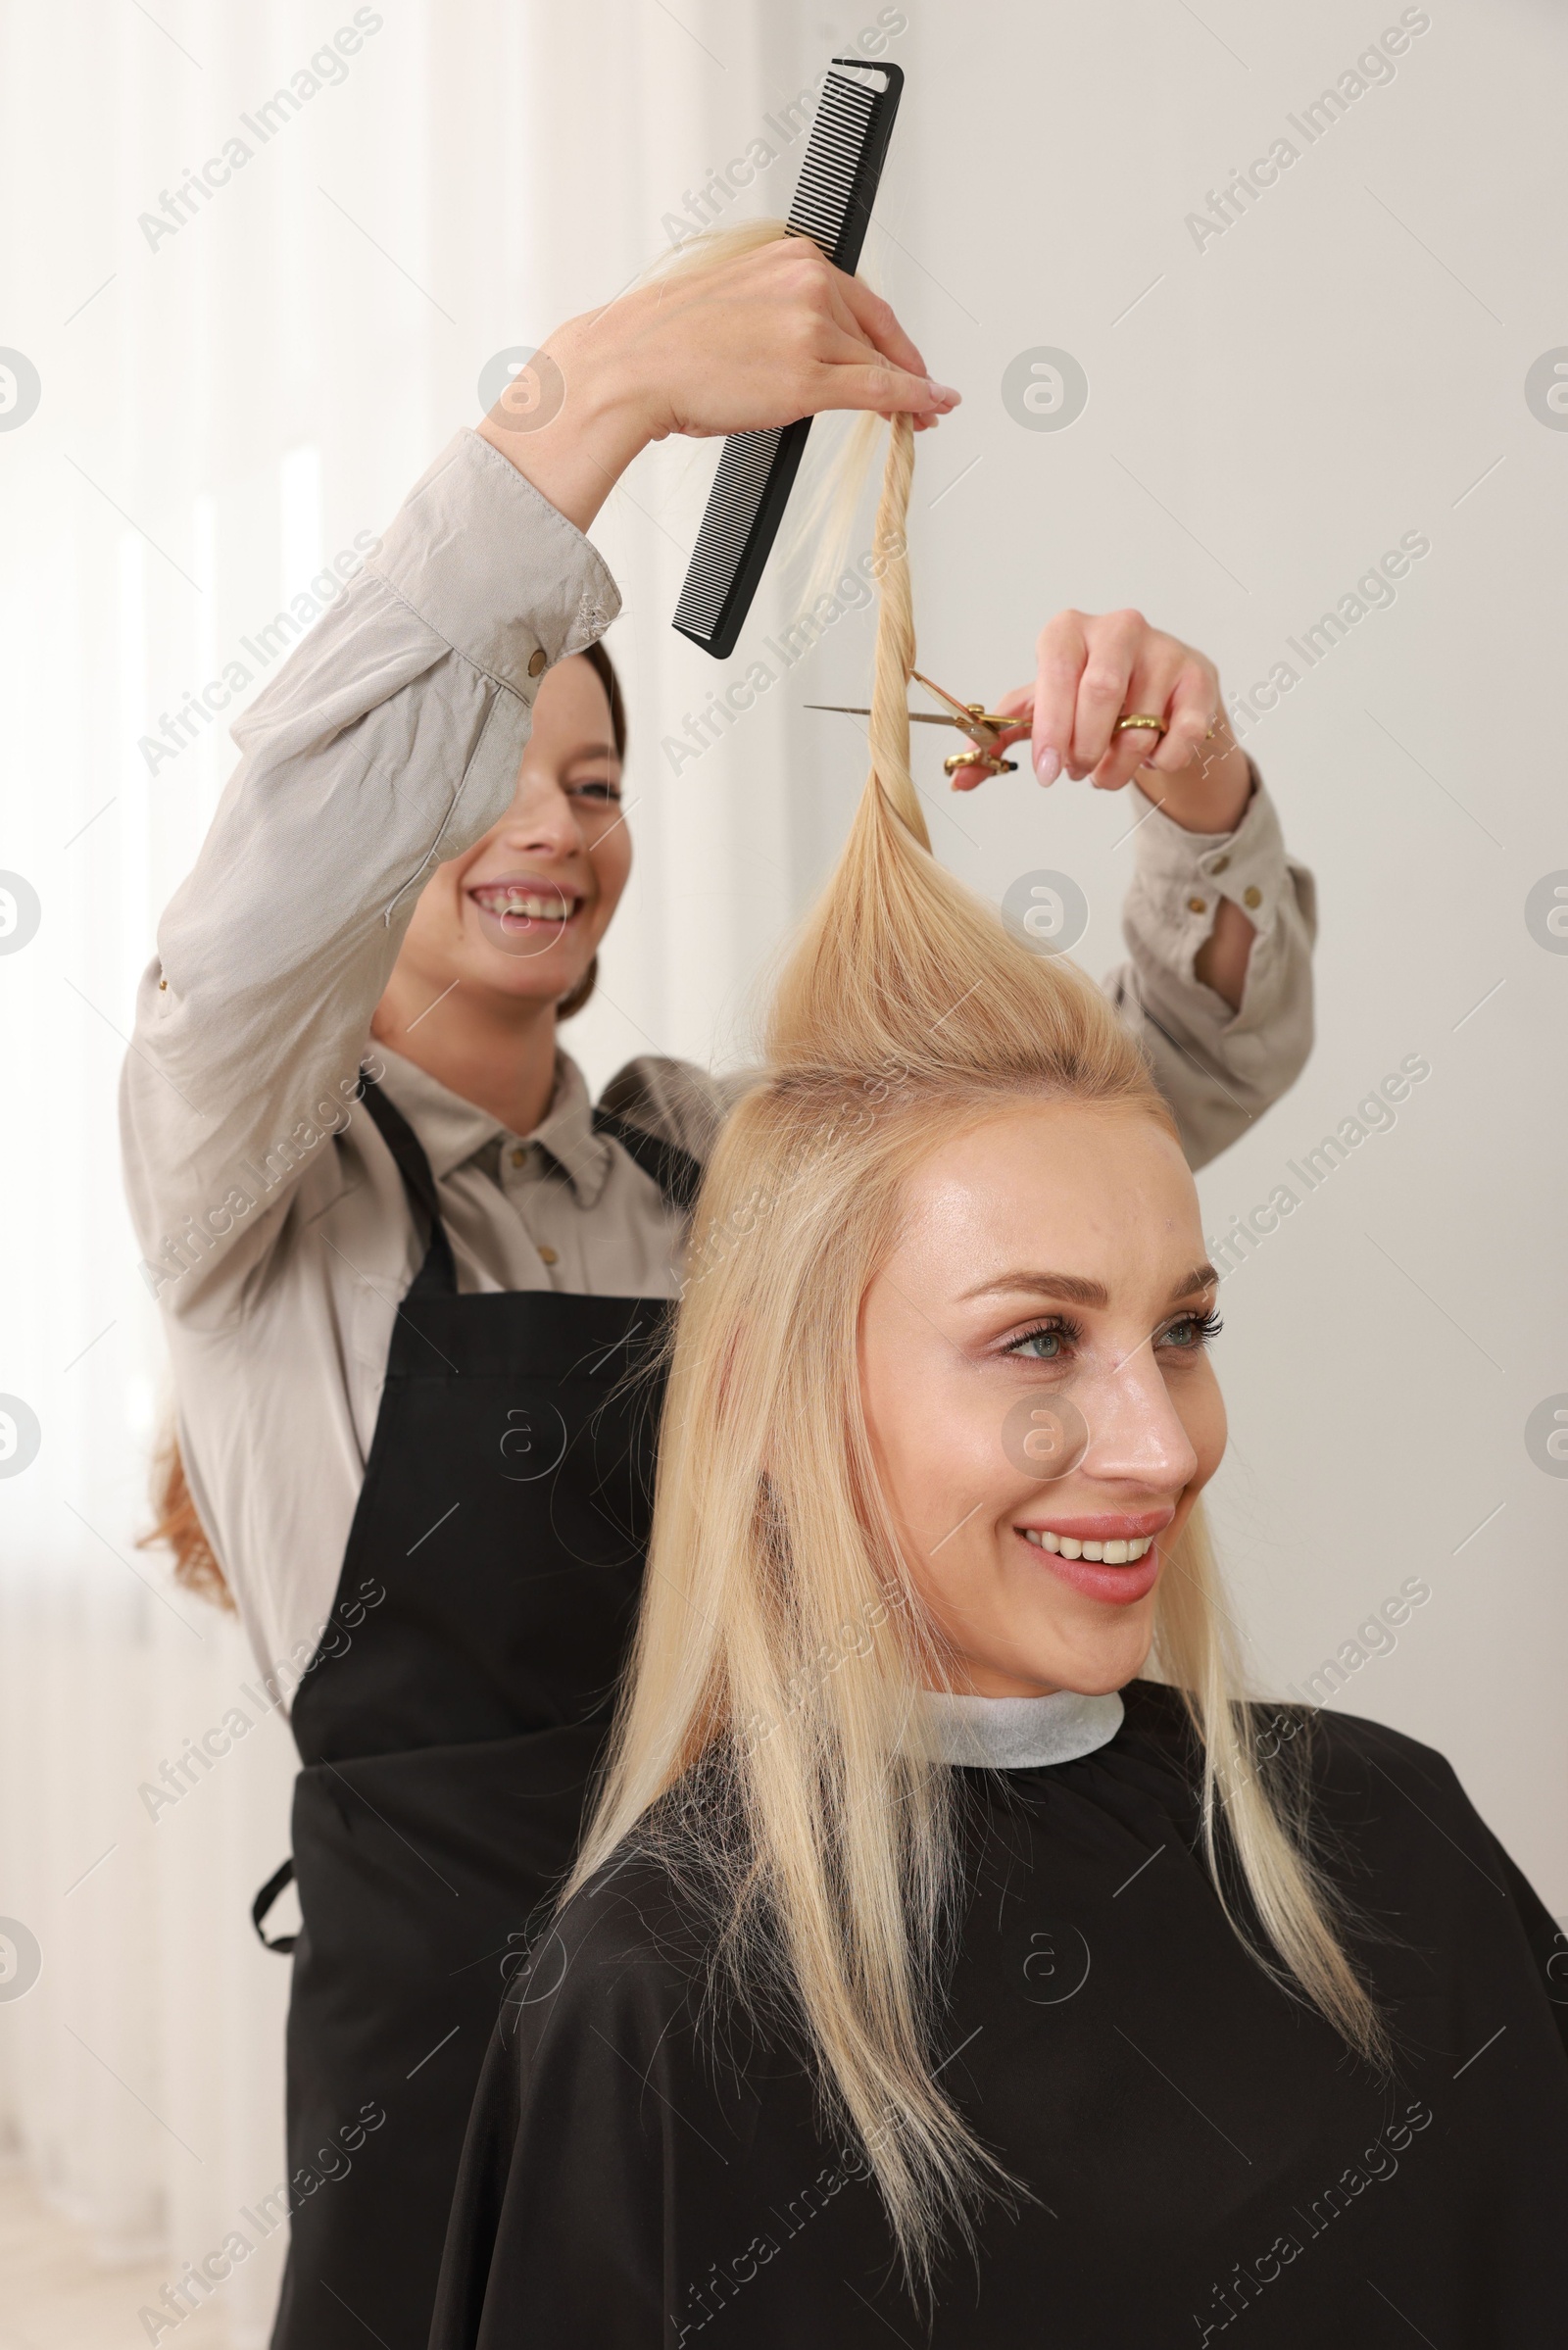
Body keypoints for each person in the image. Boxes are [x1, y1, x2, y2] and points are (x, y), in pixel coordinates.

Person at [122, 229, 1315, 2350]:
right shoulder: (254, 1184)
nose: (549, 828)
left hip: (764, 1984)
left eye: (593, 781)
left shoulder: (715, 1159)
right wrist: (585, 408)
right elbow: (256, 912)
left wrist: (1193, 797)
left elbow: (1138, 1110)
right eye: (486, 778)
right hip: (432, 2036)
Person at [430, 413, 1568, 2350]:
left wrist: (1201, 795)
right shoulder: (654, 2000)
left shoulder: (1388, 1846)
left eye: (1181, 1327)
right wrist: (590, 403)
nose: (1164, 1437)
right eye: (1036, 1338)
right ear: (793, 1398)